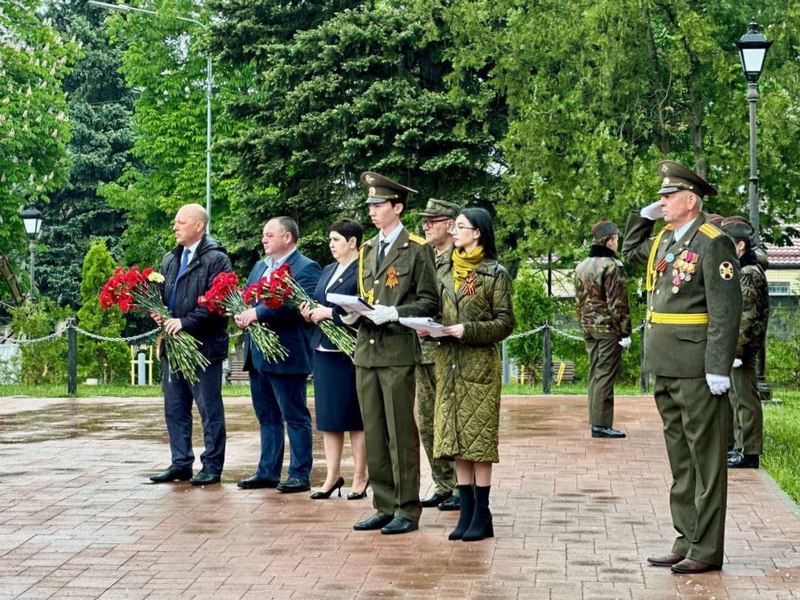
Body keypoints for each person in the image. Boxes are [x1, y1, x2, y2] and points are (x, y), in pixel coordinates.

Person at [621, 160, 742, 574]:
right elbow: (629, 252)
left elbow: (726, 311)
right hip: (666, 363)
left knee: (706, 459)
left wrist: (718, 366)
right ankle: (685, 537)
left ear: (691, 200)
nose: (662, 202)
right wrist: (641, 217)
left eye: (668, 197)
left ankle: (706, 548)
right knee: (681, 458)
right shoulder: (667, 240)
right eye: (661, 197)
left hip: (695, 365)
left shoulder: (713, 242)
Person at [349, 171, 439, 535]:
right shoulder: (368, 250)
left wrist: (398, 313)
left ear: (397, 208)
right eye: (370, 204)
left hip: (398, 349)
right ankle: (383, 504)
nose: (372, 210)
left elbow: (430, 301)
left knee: (401, 433)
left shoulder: (417, 249)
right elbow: (365, 296)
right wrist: (353, 311)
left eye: (379, 204)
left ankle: (407, 507)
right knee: (373, 430)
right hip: (366, 350)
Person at [429, 207, 515, 542]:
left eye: (460, 227)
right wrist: (431, 328)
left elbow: (505, 322)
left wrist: (468, 330)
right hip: (448, 364)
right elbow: (435, 309)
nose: (454, 232)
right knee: (456, 440)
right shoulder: (444, 270)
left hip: (478, 366)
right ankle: (465, 511)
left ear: (477, 232)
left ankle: (482, 512)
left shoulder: (495, 273)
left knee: (478, 442)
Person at [235, 217, 321, 493]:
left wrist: (258, 313)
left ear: (288, 237)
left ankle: (299, 473)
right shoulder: (260, 266)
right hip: (257, 353)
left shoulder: (306, 268)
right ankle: (268, 471)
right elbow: (250, 298)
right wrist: (243, 314)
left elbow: (301, 306)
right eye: (263, 234)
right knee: (267, 416)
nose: (264, 239)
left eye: (269, 235)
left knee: (294, 415)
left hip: (287, 353)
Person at [150, 203, 231, 486]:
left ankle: (212, 465)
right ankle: (180, 462)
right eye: (175, 222)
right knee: (174, 407)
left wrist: (185, 323)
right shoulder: (170, 259)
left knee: (209, 409)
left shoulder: (217, 258)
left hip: (203, 347)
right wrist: (159, 312)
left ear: (199, 225)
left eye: (180, 222)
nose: (174, 226)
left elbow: (216, 302)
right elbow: (163, 295)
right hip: (173, 347)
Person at [299, 219, 369, 500]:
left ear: (352, 242)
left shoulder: (363, 269)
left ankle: (360, 476)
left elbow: (363, 306)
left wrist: (330, 314)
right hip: (324, 350)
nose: (331, 245)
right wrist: (309, 311)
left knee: (354, 418)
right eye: (330, 240)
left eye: (336, 240)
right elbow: (321, 301)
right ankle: (332, 476)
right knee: (328, 419)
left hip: (349, 352)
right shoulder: (328, 269)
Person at [416, 198, 461, 511]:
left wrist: (439, 324)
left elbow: (465, 305)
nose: (426, 226)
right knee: (428, 421)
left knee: (452, 420)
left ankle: (461, 485)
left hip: (450, 351)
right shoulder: (424, 258)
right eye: (425, 221)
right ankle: (443, 483)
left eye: (433, 220)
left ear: (451, 224)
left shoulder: (462, 261)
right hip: (422, 350)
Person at [574, 220, 632, 439]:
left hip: (588, 326)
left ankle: (596, 419)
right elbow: (618, 303)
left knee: (595, 372)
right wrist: (625, 331)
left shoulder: (582, 265)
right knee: (605, 375)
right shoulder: (612, 266)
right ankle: (601, 424)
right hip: (607, 327)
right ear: (609, 241)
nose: (617, 243)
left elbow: (579, 300)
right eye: (616, 239)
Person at [720, 216, 769, 469]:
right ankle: (740, 447)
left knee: (746, 399)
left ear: (740, 246)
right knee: (737, 397)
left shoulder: (748, 272)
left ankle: (749, 451)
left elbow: (746, 314)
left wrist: (738, 349)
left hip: (744, 346)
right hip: (736, 344)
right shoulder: (742, 270)